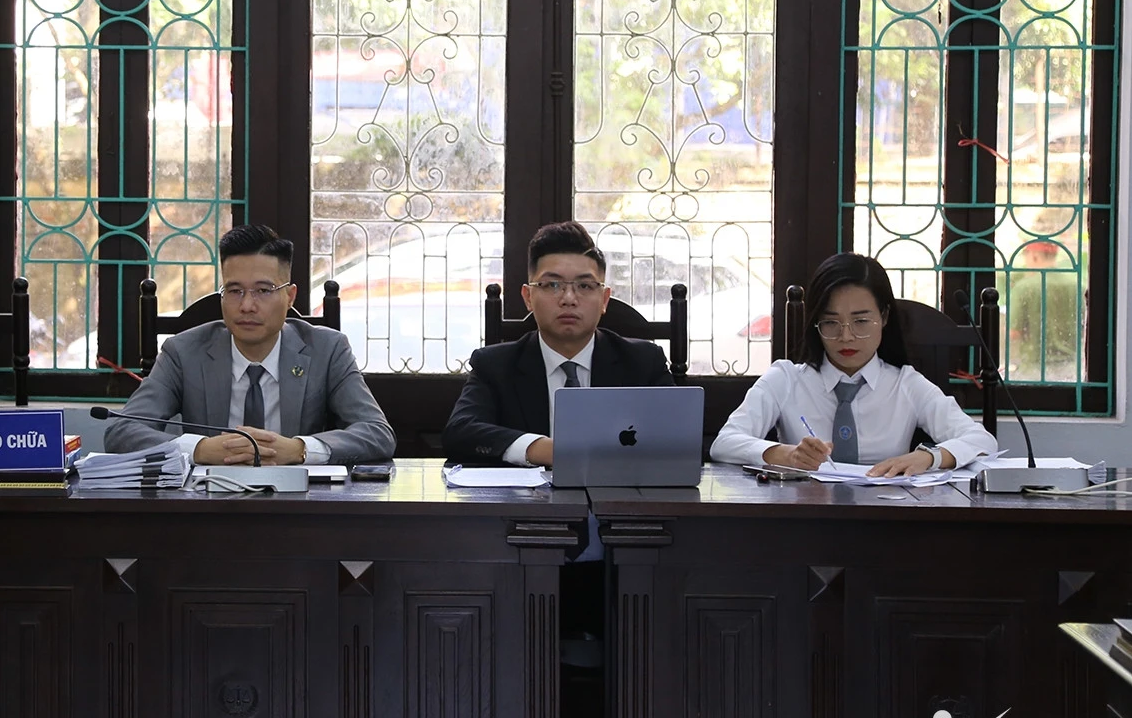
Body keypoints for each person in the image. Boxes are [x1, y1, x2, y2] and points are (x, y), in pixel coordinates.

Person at [104, 224, 394, 464]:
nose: (246, 306)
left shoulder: (327, 349)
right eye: (234, 291)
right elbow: (122, 430)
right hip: (209, 504)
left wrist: (300, 449)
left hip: (300, 504)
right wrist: (199, 449)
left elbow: (377, 433)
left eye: (263, 291)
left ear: (290, 296)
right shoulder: (183, 352)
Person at [710, 252, 998, 475]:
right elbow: (724, 443)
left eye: (861, 321)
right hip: (804, 516)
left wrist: (928, 457)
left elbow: (982, 441)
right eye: (831, 322)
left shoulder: (906, 384)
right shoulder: (785, 379)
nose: (845, 336)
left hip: (885, 517)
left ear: (884, 317)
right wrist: (786, 455)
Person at [443, 221, 673, 465]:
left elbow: (681, 435)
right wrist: (546, 450)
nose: (569, 299)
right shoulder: (494, 365)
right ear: (528, 297)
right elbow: (460, 432)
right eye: (552, 285)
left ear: (604, 299)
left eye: (585, 286)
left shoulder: (643, 362)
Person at [1007, 240, 1081, 381]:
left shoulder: (1024, 288)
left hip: (1034, 371)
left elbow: (1014, 332)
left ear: (1034, 256)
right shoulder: (1077, 286)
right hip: (1072, 370)